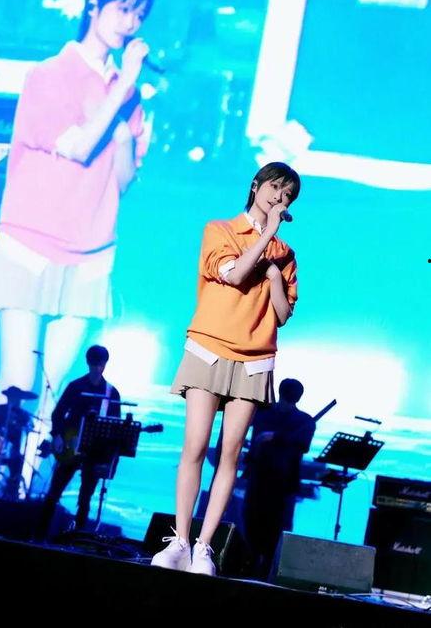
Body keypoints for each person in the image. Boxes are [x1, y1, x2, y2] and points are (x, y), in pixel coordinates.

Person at [0, 0, 155, 405]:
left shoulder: (126, 92)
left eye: (139, 15)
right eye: (123, 10)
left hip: (92, 248)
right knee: (16, 388)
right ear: (93, 7)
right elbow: (78, 148)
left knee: (52, 399)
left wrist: (125, 132)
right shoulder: (50, 74)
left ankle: (34, 454)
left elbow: (122, 181)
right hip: (31, 240)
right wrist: (122, 91)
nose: (130, 23)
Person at [151, 161, 301, 575]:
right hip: (209, 348)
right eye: (275, 188)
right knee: (195, 446)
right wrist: (266, 236)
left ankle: (204, 547)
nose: (280, 198)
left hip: (255, 358)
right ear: (255, 186)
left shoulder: (286, 255)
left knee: (229, 453)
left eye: (288, 195)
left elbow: (283, 314)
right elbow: (233, 275)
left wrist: (275, 276)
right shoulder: (220, 230)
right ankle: (180, 541)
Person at [35, 345, 121, 538]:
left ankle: (77, 540)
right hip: (69, 447)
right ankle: (39, 535)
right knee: (54, 493)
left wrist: (109, 459)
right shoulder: (76, 387)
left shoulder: (111, 393)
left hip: (94, 451)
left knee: (85, 499)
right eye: (94, 364)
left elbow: (115, 426)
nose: (97, 368)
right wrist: (58, 436)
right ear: (88, 363)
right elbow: (58, 413)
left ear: (105, 364)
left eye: (101, 364)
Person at [242, 377, 316, 579]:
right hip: (266, 479)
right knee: (260, 526)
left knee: (269, 527)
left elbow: (302, 444)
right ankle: (256, 567)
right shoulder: (268, 413)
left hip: (279, 483)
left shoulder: (299, 420)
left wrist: (274, 437)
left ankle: (263, 569)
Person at [0, 385, 35, 499]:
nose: (16, 400)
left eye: (17, 398)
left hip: (12, 453)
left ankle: (10, 493)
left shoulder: (23, 415)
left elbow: (30, 426)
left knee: (17, 463)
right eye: (13, 397)